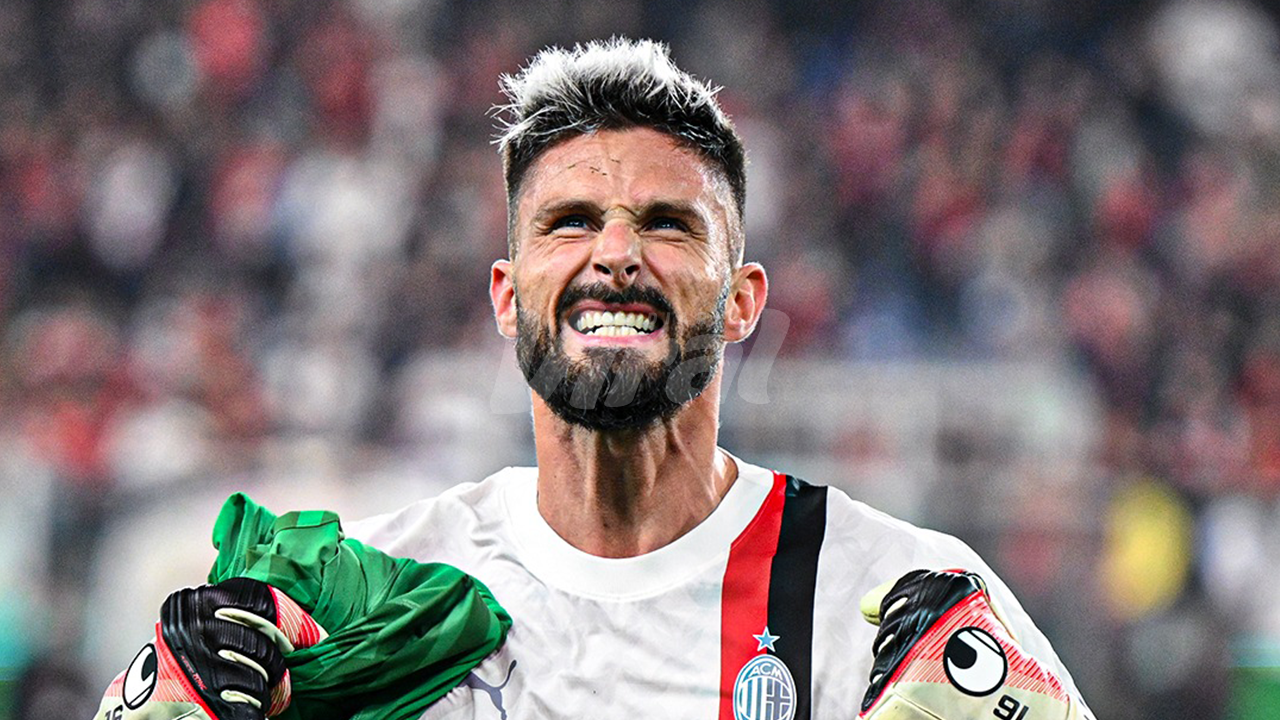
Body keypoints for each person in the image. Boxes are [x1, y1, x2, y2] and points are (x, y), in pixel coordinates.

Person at [100, 37, 1095, 720]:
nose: (615, 254)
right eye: (570, 222)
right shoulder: (377, 600)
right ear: (506, 296)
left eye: (667, 224)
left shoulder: (887, 598)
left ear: (742, 301)